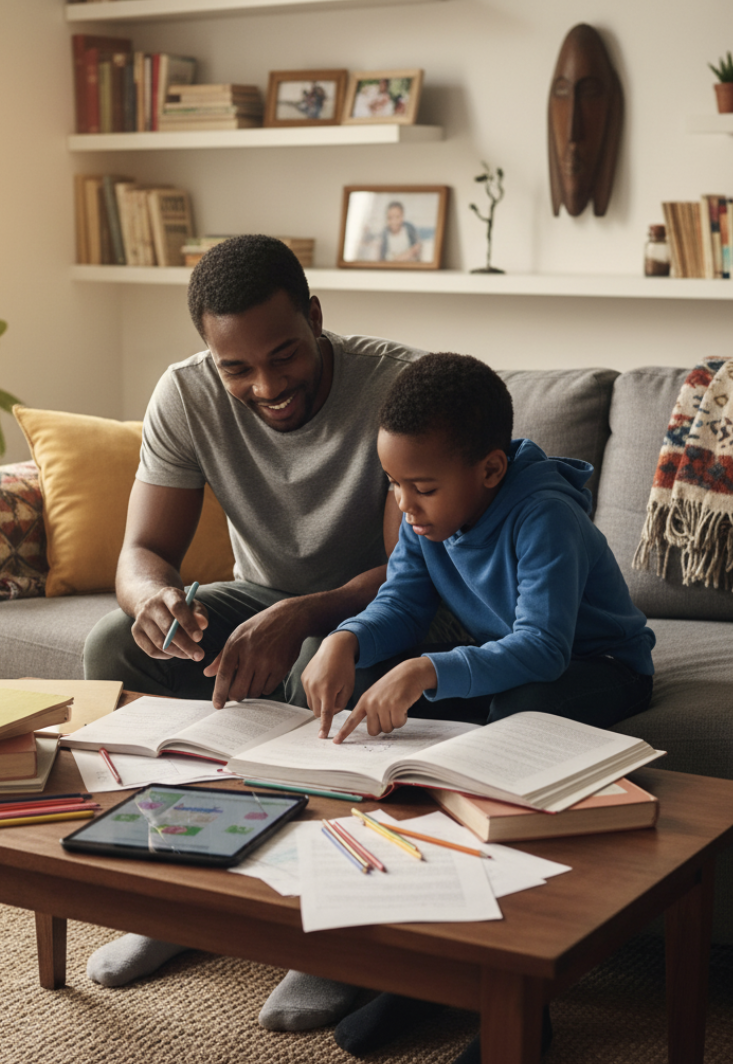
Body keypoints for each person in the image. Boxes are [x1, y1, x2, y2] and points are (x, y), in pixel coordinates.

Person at [82, 234, 430, 1031]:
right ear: (210, 354)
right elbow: (141, 554)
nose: (267, 386)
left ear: (315, 317)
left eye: (285, 356)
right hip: (266, 595)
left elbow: (411, 572)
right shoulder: (185, 393)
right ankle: (177, 888)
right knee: (114, 646)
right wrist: (154, 600)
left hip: (380, 609)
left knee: (315, 663)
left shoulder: (397, 386)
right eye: (237, 368)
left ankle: (330, 930)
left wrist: (305, 613)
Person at [302, 352, 656, 1060]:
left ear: (490, 471)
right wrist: (344, 635)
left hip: (598, 666)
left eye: (422, 487)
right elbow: (401, 604)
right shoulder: (423, 518)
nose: (405, 505)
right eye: (396, 485)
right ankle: (427, 971)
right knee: (407, 739)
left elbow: (545, 649)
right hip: (511, 665)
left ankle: (521, 1005)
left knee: (512, 720)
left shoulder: (543, 516)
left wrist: (429, 669)